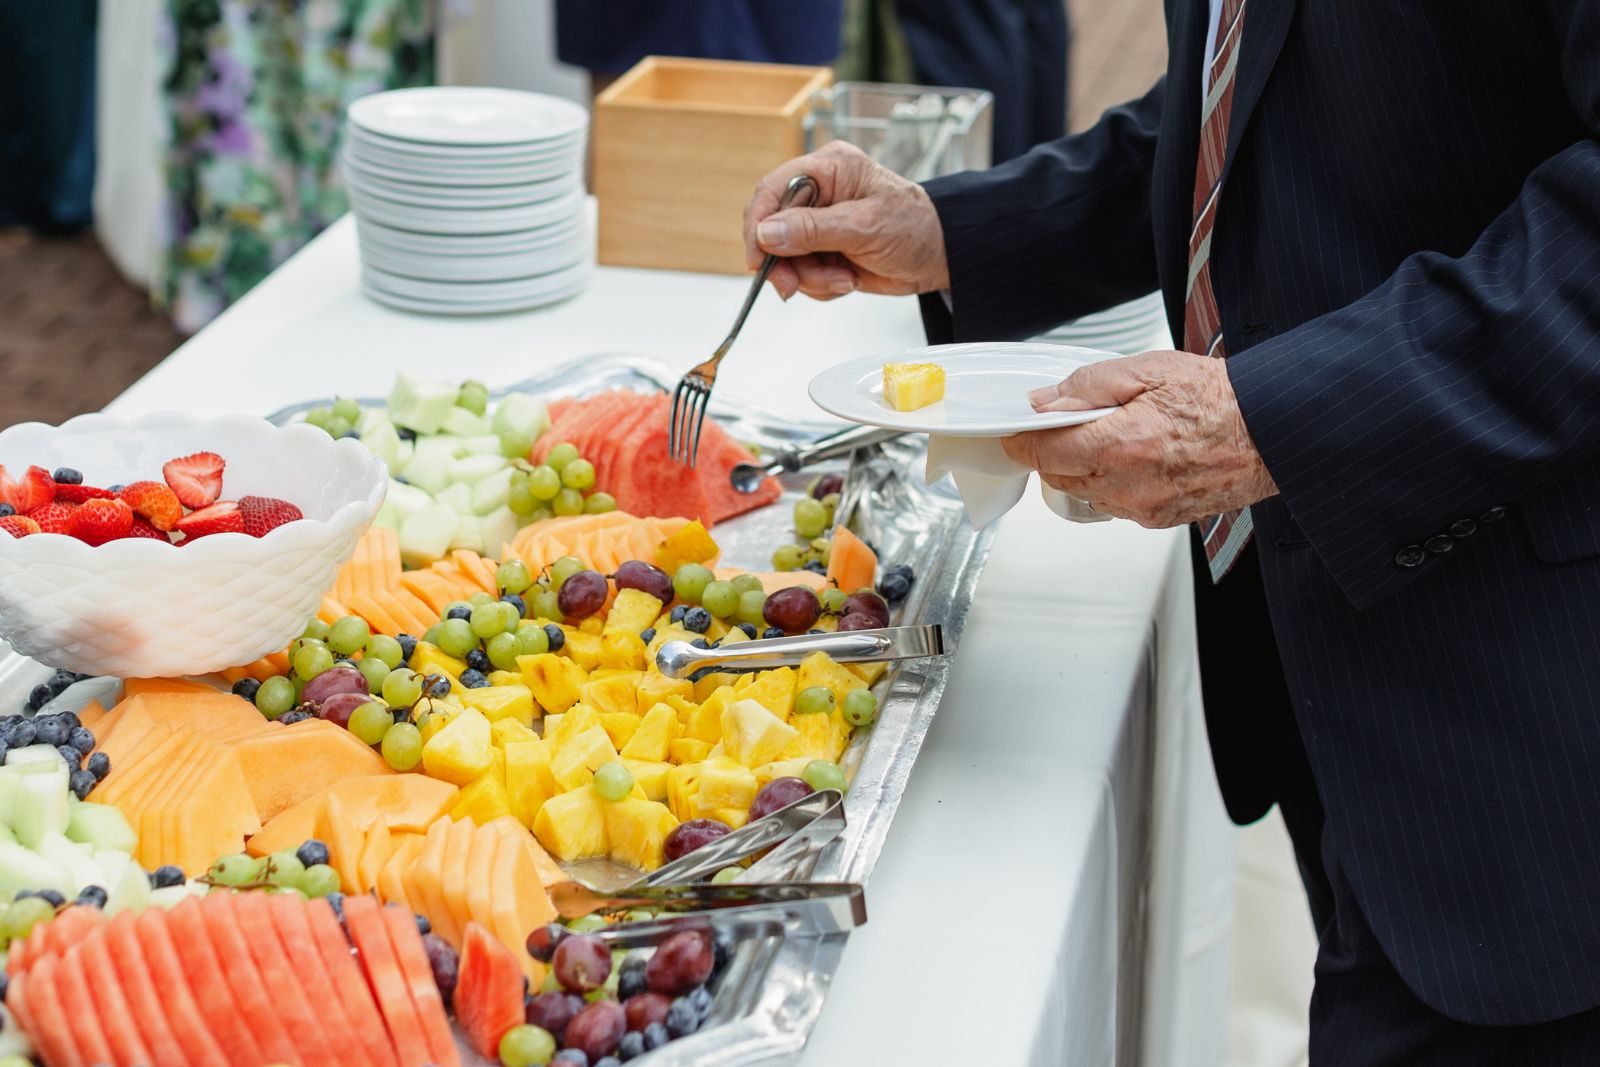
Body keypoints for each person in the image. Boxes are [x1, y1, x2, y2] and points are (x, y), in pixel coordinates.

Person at [741, 3, 1600, 1063]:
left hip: (1529, 711)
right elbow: (1248, 112)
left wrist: (1274, 419)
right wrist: (956, 232)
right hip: (1348, 660)